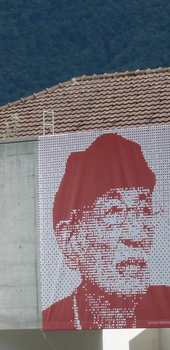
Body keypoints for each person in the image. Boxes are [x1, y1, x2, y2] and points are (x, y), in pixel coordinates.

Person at [42, 133, 170, 330]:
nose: (135, 236)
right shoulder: (53, 317)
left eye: (144, 210)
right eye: (114, 212)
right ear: (70, 241)